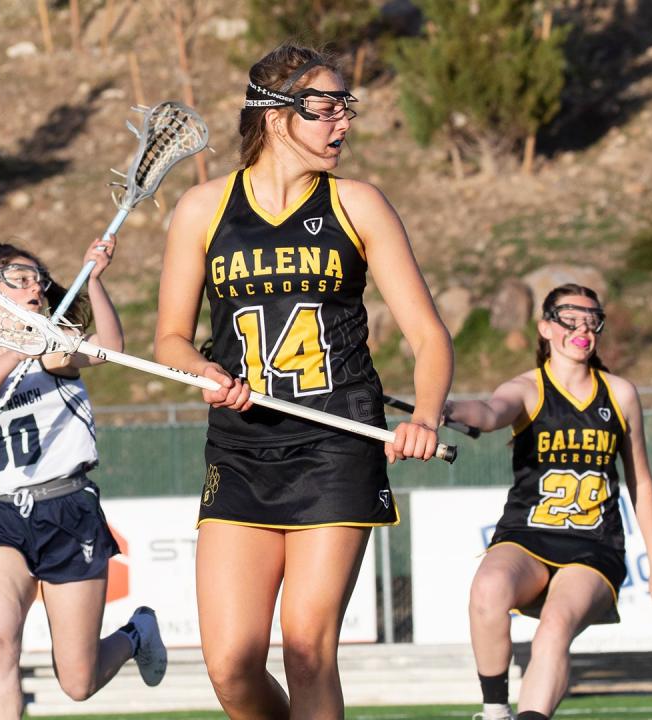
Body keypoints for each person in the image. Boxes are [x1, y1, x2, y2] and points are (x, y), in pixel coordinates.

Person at [154, 43, 453, 719]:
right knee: (231, 666)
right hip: (240, 449)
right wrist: (200, 369)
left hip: (335, 446)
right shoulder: (204, 209)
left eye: (346, 109)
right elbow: (170, 337)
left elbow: (429, 337)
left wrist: (425, 415)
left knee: (308, 649)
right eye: (325, 110)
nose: (342, 124)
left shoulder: (359, 205)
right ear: (275, 115)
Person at [0, 239, 166, 719]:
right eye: (19, 279)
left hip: (68, 510)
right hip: (4, 514)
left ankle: (135, 634)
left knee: (78, 682)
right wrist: (22, 344)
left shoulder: (54, 355)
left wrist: (94, 281)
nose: (34, 287)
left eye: (38, 280)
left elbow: (109, 349)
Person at [450, 284, 652, 720]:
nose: (582, 329)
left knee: (553, 631)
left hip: (594, 545)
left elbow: (640, 480)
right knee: (487, 588)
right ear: (545, 327)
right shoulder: (526, 389)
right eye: (569, 319)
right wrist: (446, 409)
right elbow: (488, 414)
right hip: (526, 535)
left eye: (591, 319)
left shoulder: (619, 394)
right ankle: (495, 710)